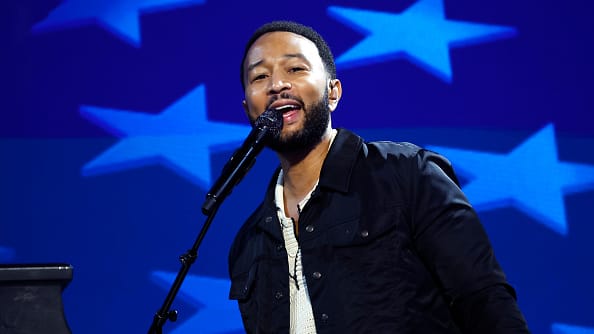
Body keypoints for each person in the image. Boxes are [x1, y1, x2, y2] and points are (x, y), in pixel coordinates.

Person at [228, 20, 530, 333]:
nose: (277, 85)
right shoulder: (249, 244)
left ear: (333, 92)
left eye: (295, 69)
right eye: (260, 76)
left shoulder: (408, 174)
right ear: (248, 108)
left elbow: (484, 301)